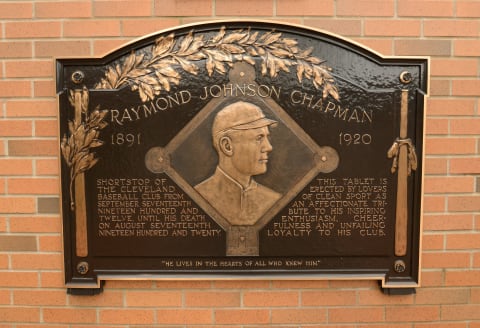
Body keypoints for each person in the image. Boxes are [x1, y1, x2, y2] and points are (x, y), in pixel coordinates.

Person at [195, 101, 281, 225]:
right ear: (227, 146)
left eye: (267, 137)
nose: (268, 147)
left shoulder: (273, 201)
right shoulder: (198, 197)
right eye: (259, 138)